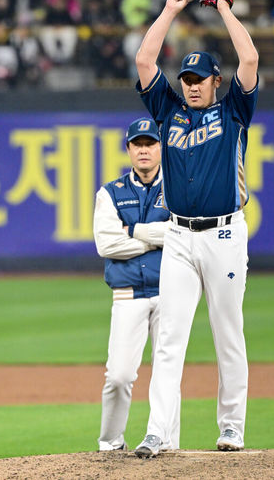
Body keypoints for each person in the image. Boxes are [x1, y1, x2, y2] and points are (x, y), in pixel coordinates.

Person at [133, 0, 259, 457]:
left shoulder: (234, 112)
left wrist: (224, 10)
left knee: (228, 332)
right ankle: (158, 432)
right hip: (179, 236)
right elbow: (146, 62)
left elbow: (248, 62)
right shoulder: (168, 113)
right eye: (186, 77)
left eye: (199, 78)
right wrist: (169, 9)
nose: (190, 83)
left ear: (214, 81)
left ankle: (232, 428)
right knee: (169, 337)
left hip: (225, 234)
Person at [94, 118, 179, 452]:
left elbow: (182, 235)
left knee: (167, 373)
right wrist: (154, 236)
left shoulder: (177, 187)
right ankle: (110, 444)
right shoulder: (111, 192)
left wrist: (132, 231)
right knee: (118, 375)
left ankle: (169, 444)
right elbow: (106, 245)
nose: (144, 150)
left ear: (161, 147)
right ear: (128, 149)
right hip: (127, 294)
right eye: (138, 144)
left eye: (150, 143)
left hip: (171, 292)